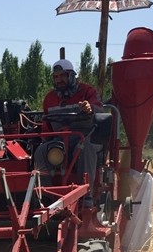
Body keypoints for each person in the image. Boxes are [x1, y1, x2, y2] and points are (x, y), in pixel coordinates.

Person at [38, 59, 104, 206]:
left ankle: (86, 196)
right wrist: (45, 141)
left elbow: (100, 109)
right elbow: (46, 125)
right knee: (40, 151)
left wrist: (90, 108)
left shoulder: (87, 91)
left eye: (62, 76)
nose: (59, 80)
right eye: (56, 77)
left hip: (87, 136)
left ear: (72, 76)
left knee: (86, 147)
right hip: (60, 139)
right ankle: (46, 195)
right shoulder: (50, 98)